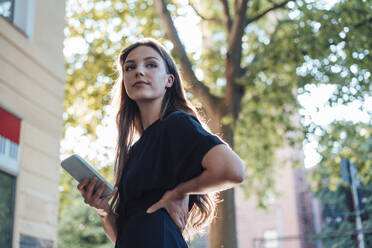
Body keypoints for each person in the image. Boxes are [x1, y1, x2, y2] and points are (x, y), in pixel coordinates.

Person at [77, 38, 245, 247]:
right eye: (130, 67)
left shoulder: (177, 123)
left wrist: (179, 192)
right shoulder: (133, 151)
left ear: (169, 80)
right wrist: (103, 210)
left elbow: (233, 170)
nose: (139, 71)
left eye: (151, 64)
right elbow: (125, 235)